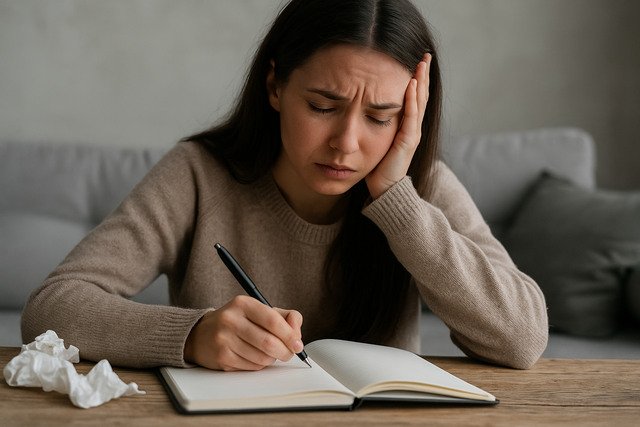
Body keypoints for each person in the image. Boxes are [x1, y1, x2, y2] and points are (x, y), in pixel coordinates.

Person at [22, 0, 548, 371]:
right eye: (323, 107)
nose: (346, 143)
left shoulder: (419, 187)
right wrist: (192, 335)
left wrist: (396, 203)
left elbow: (521, 339)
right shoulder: (198, 174)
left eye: (380, 117)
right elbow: (52, 307)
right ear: (275, 86)